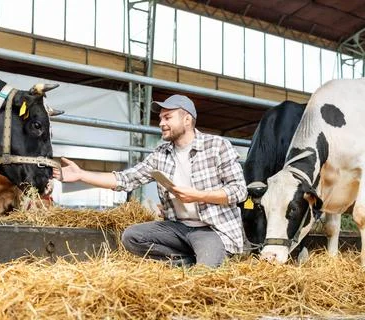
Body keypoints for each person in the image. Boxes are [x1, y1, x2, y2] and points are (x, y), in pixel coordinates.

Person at [53, 94, 247, 268]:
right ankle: (185, 262)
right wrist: (81, 175)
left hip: (210, 229)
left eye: (168, 117)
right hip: (178, 228)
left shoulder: (217, 146)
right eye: (161, 118)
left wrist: (199, 196)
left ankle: (202, 260)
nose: (161, 123)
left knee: (204, 273)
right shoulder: (160, 154)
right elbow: (125, 179)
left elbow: (239, 191)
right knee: (132, 237)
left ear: (187, 120)